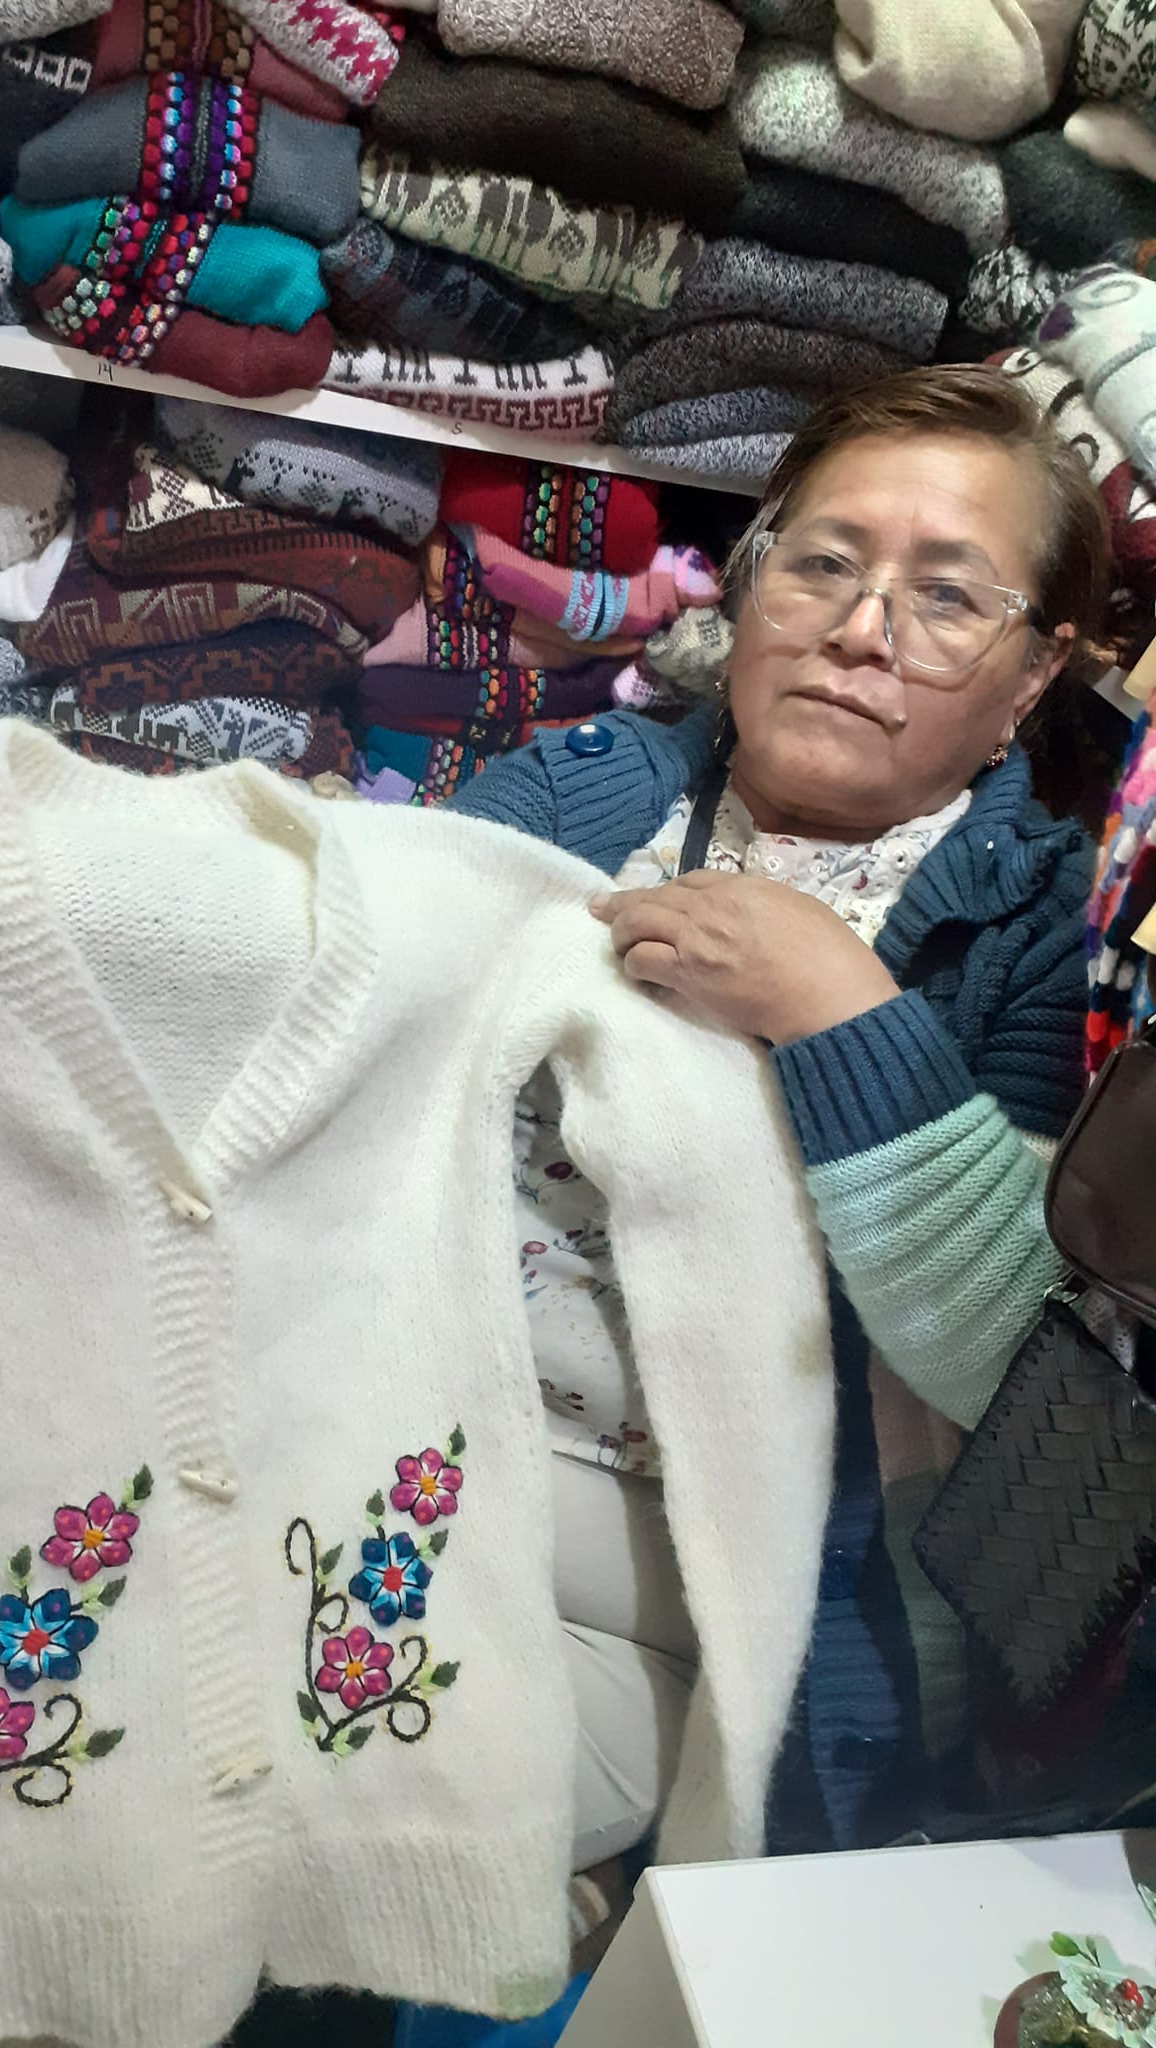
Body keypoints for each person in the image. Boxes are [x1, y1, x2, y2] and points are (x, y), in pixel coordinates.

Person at [455, 366, 1110, 1865]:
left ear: (1029, 682)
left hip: (712, 1575)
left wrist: (841, 1013)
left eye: (948, 599)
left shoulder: (1037, 937)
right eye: (823, 562)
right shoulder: (581, 798)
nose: (862, 629)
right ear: (750, 589)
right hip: (417, 1426)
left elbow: (1008, 1371)